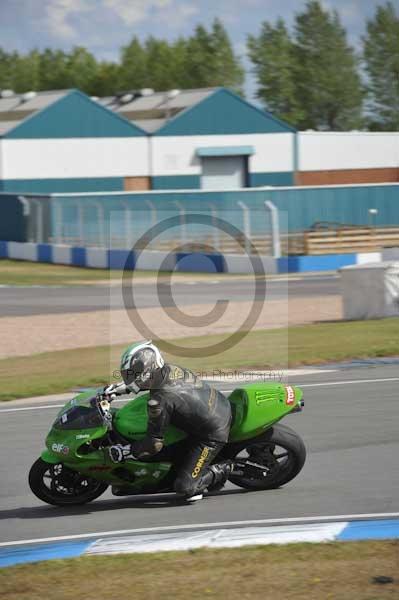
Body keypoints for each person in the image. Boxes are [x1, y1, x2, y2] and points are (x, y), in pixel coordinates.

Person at [104, 340, 233, 502]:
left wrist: (125, 451)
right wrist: (117, 389)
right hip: (217, 403)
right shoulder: (168, 370)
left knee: (185, 488)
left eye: (134, 373)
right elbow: (141, 382)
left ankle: (224, 468)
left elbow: (154, 444)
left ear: (148, 371)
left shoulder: (160, 400)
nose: (130, 377)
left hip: (212, 433)